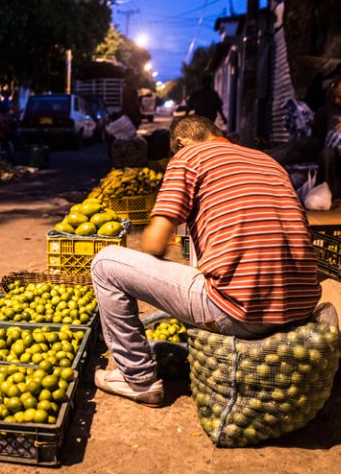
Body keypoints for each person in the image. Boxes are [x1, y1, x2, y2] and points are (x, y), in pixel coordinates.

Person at [91, 115, 321, 407]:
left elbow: (154, 244)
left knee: (105, 263)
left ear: (181, 143)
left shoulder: (188, 157)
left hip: (241, 312)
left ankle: (137, 380)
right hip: (300, 309)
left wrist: (162, 237)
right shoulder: (266, 161)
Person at [313, 78, 341, 199]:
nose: (336, 100)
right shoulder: (328, 109)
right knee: (326, 154)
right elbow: (316, 130)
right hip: (333, 151)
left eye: (340, 97)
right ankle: (329, 195)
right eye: (334, 96)